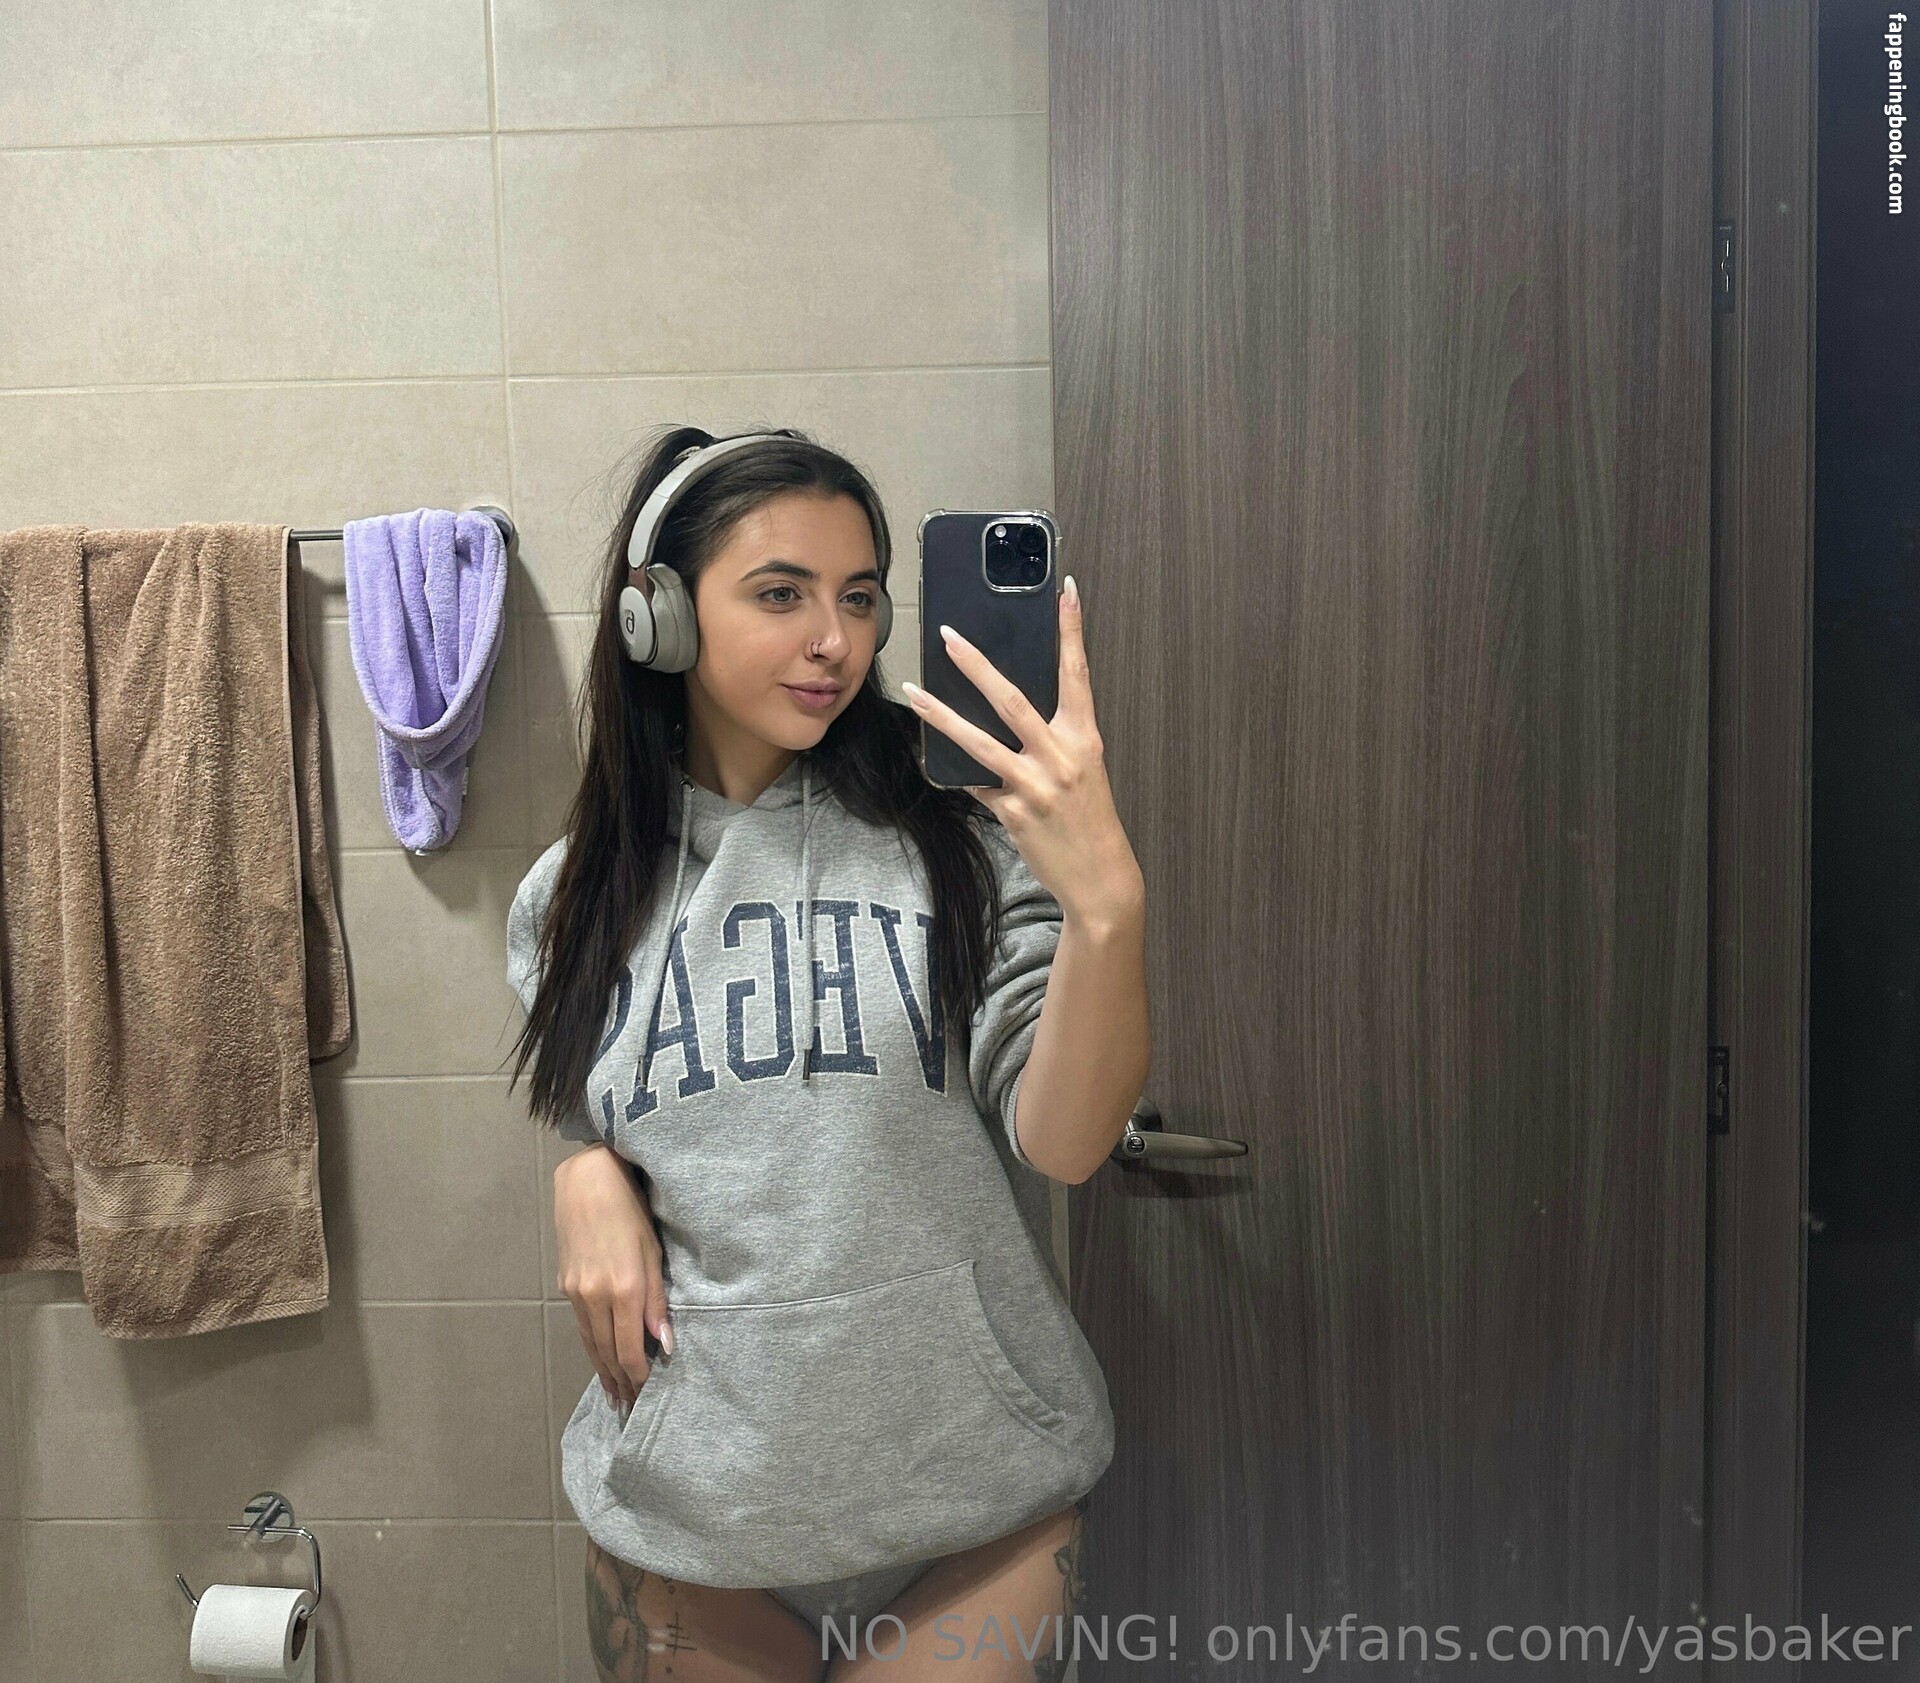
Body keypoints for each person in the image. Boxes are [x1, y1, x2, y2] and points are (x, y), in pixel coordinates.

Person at [505, 426, 1151, 1682]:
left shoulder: (962, 848)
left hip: (979, 1499)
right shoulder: (572, 900)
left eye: (859, 597)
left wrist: (1107, 910)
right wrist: (585, 1167)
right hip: (697, 1520)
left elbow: (1067, 1143)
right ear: (659, 617)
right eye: (781, 594)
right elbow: (641, 1125)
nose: (834, 641)